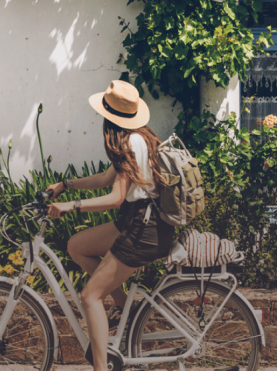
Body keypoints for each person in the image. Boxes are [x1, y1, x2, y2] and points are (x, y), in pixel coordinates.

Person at [46, 79, 173, 371]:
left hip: (143, 229)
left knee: (90, 296)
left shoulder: (130, 143)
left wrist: (70, 206)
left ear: (109, 118)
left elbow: (116, 197)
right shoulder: (138, 138)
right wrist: (65, 185)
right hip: (137, 221)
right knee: (76, 246)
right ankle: (124, 305)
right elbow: (106, 179)